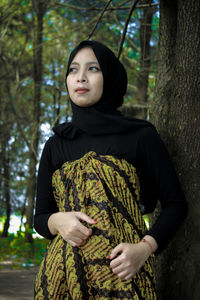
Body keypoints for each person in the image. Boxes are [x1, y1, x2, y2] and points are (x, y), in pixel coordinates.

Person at [34, 40, 188, 299]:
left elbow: (176, 204)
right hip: (61, 279)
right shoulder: (56, 144)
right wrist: (58, 221)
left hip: (124, 275)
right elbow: (41, 218)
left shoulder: (140, 136)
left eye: (93, 69)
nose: (80, 77)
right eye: (73, 69)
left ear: (111, 78)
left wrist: (144, 249)